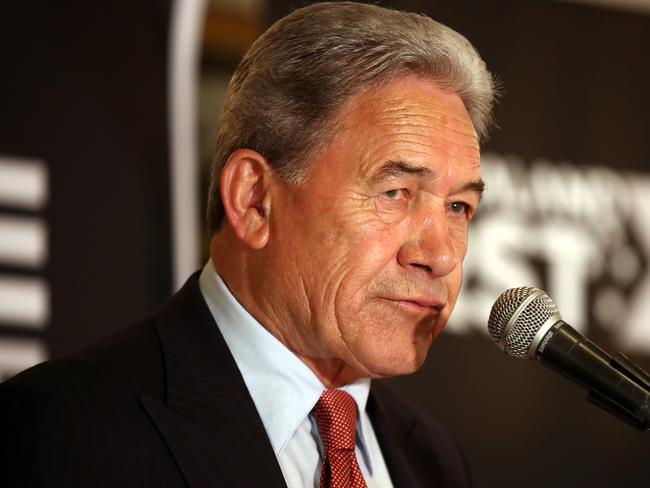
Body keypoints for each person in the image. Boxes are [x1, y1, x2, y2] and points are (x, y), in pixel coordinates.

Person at [0, 2, 496, 487]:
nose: (442, 256)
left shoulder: (435, 461)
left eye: (458, 208)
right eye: (395, 192)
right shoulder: (68, 430)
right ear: (253, 199)